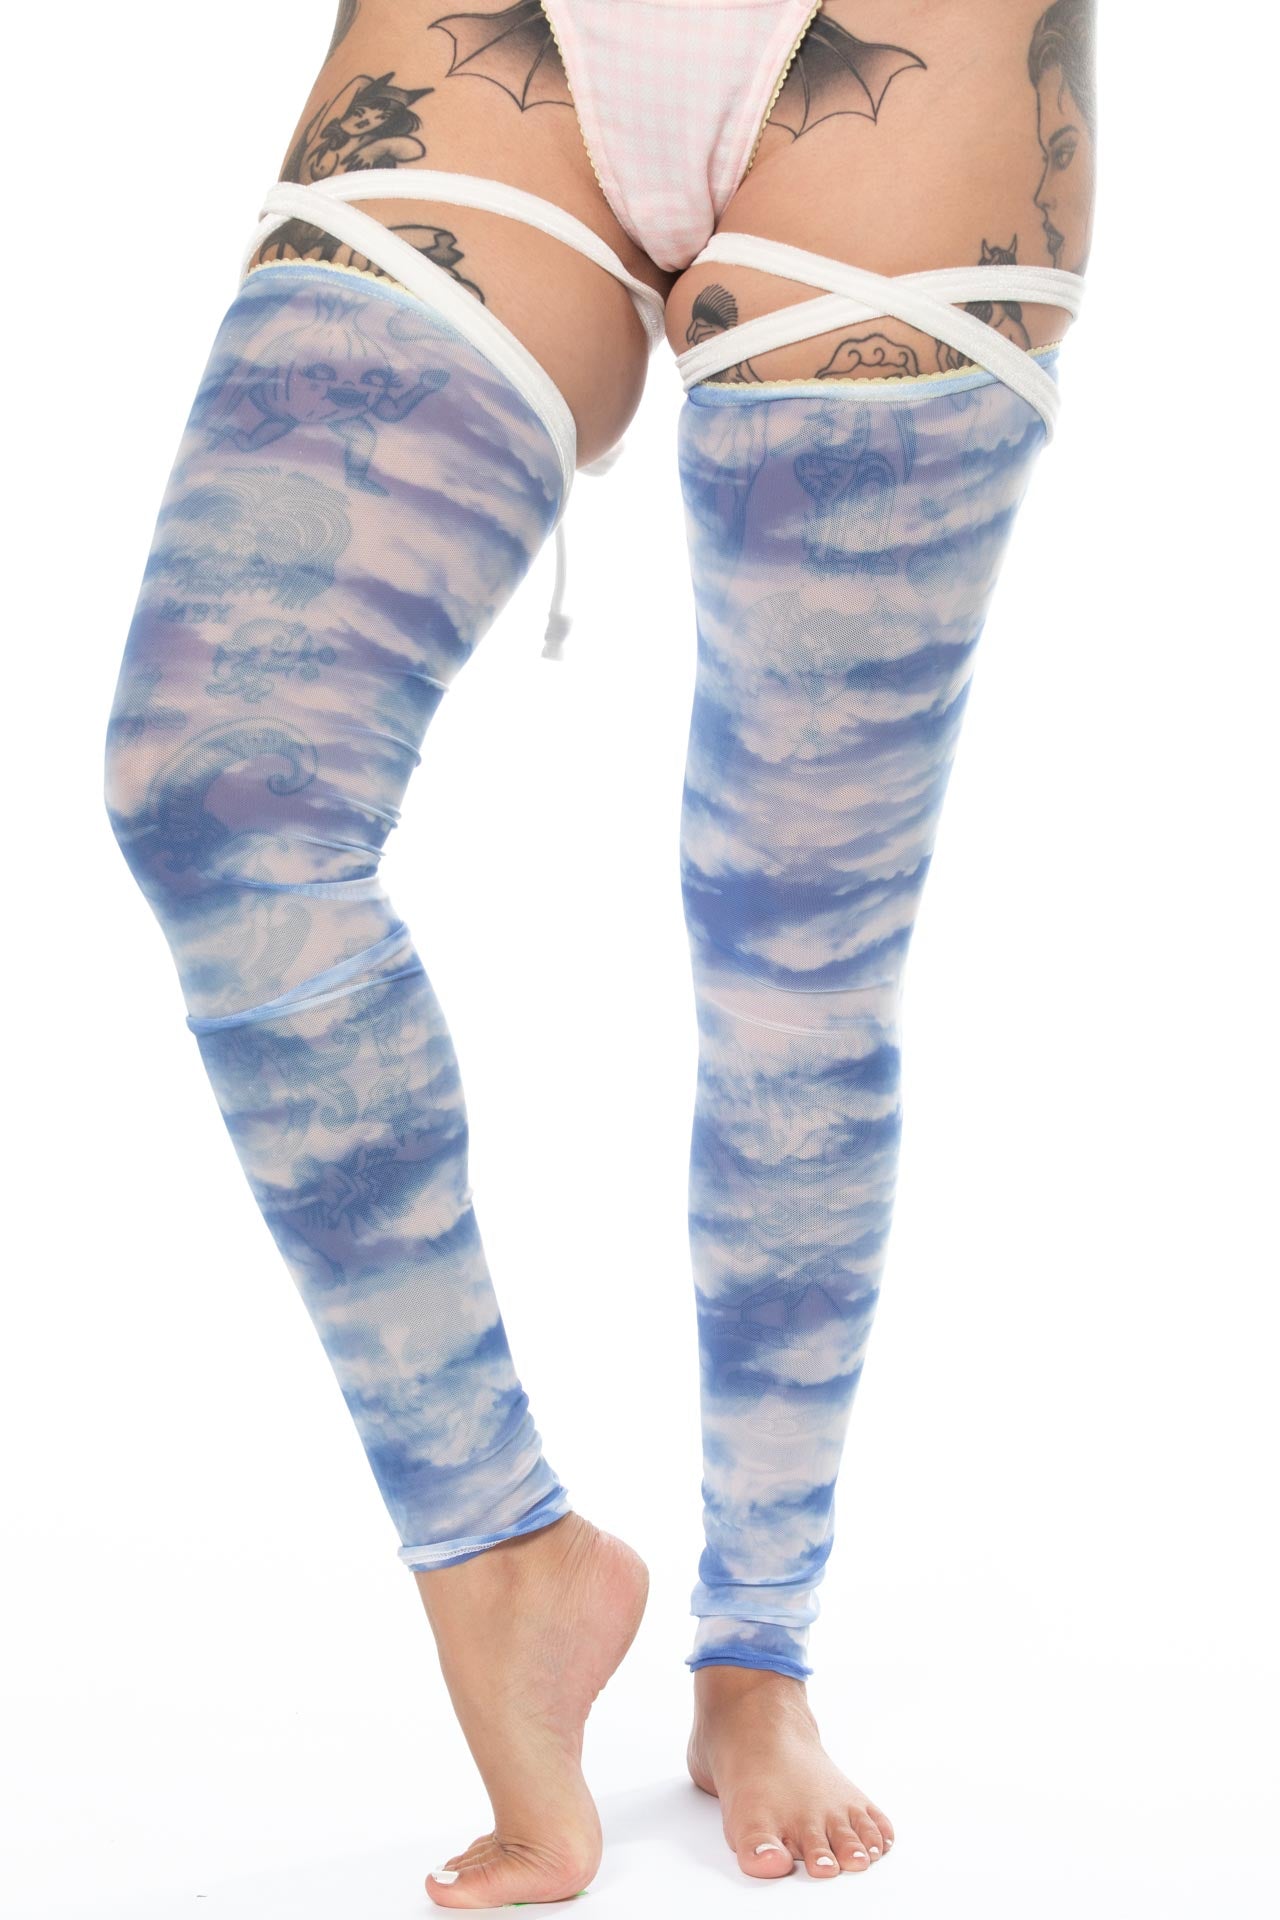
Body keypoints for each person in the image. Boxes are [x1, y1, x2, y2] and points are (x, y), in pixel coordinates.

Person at [102, 0, 1095, 1905]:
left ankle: (758, 1652)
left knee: (798, 956)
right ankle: (500, 1557)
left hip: (908, 67)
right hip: (507, 39)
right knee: (216, 789)